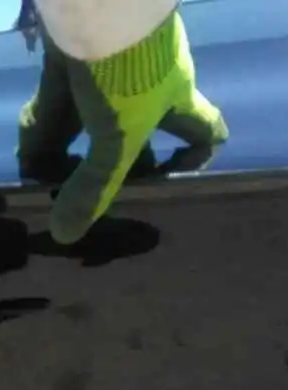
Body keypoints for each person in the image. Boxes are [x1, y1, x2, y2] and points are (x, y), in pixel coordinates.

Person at [18, 0, 227, 243]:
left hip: (121, 68)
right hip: (123, 61)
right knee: (206, 127)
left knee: (45, 140)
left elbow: (68, 224)